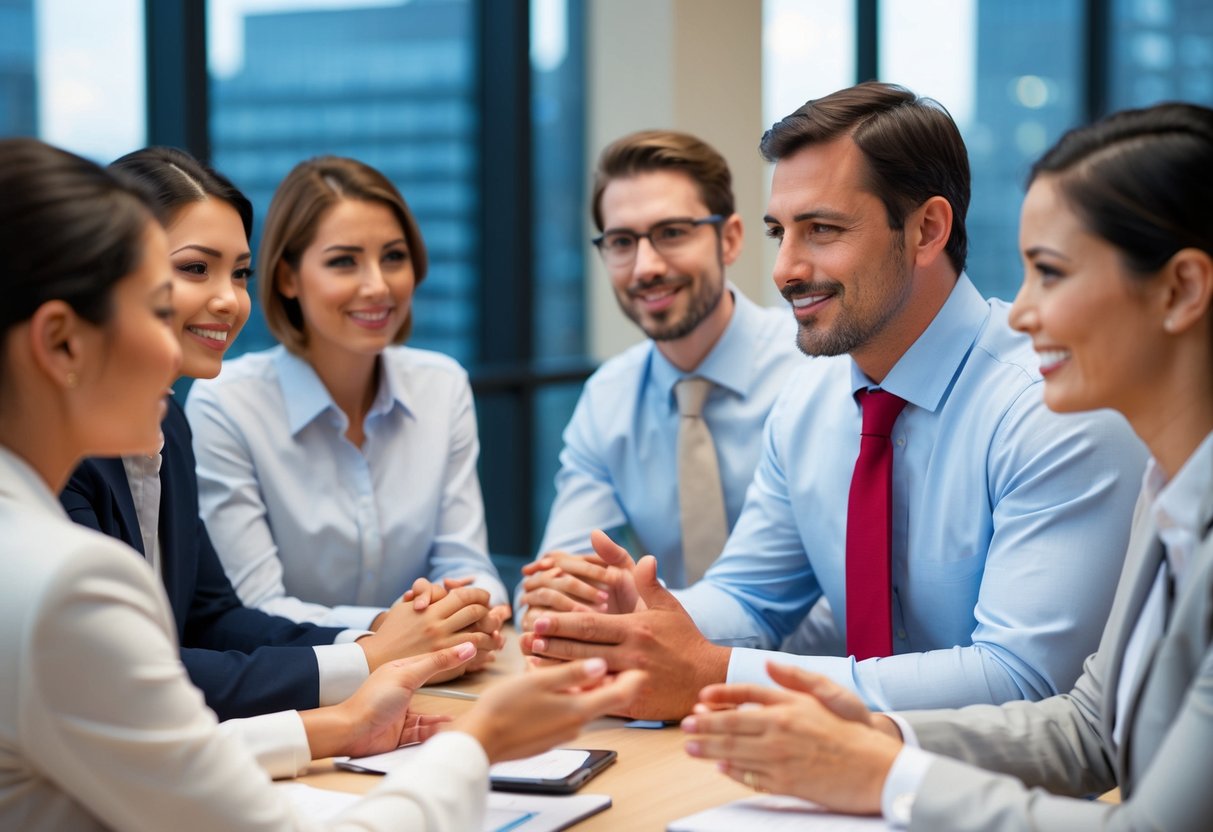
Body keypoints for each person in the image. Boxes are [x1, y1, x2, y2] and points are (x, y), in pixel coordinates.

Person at [0, 136, 644, 831]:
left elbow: (153, 712)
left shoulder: (120, 470)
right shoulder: (62, 579)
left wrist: (338, 724)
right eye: (155, 307)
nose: (181, 341)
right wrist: (473, 743)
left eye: (234, 273)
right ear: (61, 341)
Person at [520, 81, 1146, 718]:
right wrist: (640, 618)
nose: (784, 270)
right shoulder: (808, 403)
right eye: (780, 232)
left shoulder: (1052, 407)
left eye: (821, 229)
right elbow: (750, 599)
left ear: (927, 229)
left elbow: (1024, 680)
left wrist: (720, 670)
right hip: (841, 780)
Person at [680, 100, 1213, 831]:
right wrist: (878, 739)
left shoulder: (1053, 417)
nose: (1020, 314)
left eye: (1049, 274)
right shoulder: (1170, 492)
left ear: (1181, 289)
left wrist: (888, 776)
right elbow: (1093, 727)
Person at [60, 147, 500, 721]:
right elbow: (123, 675)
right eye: (196, 268)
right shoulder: (58, 443)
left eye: (239, 273)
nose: (229, 299)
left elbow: (211, 618)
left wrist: (384, 640)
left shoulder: (169, 421)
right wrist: (369, 660)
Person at [186, 156, 510, 633]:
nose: (378, 286)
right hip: (302, 688)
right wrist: (396, 631)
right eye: (344, 262)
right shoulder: (227, 404)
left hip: (441, 674)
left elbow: (468, 564)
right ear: (287, 278)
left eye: (394, 257)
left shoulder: (442, 386)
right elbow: (255, 607)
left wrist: (470, 606)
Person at [517, 130, 803, 621]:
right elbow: (555, 590)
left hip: (816, 679)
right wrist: (558, 598)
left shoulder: (816, 374)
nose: (645, 267)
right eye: (622, 242)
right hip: (663, 685)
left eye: (672, 233)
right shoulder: (609, 399)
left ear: (730, 238)